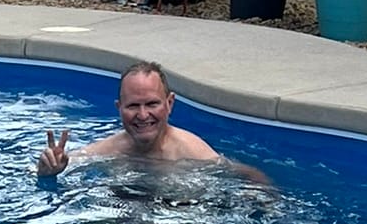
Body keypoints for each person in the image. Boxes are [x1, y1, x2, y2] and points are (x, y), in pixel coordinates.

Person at [37, 61, 270, 185]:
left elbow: (249, 174)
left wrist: (263, 201)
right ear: (119, 108)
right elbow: (53, 166)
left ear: (169, 103)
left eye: (152, 104)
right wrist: (47, 172)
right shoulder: (108, 150)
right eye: (133, 106)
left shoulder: (191, 151)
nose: (143, 115)